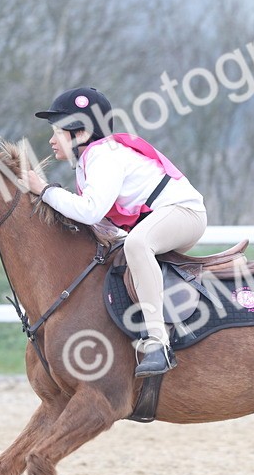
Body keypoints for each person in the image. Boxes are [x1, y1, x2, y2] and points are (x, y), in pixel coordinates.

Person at [22, 87, 208, 377]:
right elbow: (101, 224)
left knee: (137, 244)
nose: (51, 140)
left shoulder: (103, 157)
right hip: (163, 216)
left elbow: (90, 211)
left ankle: (159, 343)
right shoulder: (88, 163)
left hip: (186, 214)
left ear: (81, 133)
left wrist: (44, 190)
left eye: (57, 131)